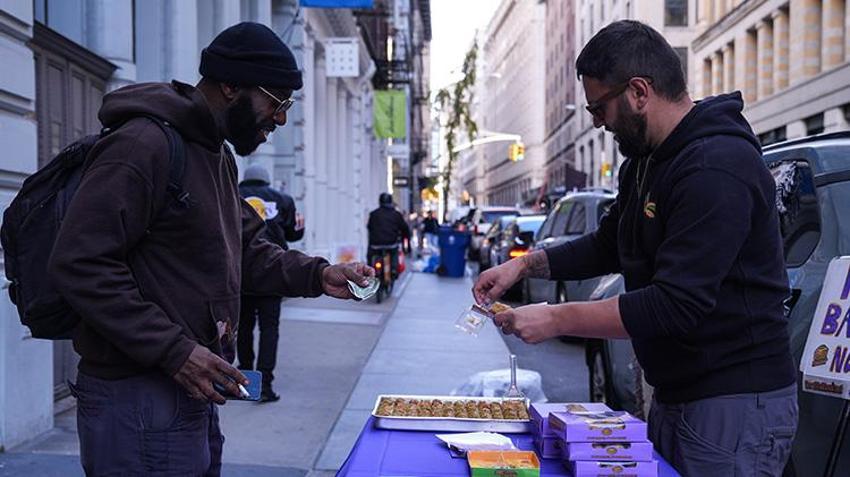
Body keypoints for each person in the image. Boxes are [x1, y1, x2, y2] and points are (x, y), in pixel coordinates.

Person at [473, 20, 797, 476]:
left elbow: (675, 304)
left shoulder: (715, 167)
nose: (596, 122)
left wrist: (554, 317)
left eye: (599, 107)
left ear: (639, 92)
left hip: (733, 401)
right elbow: (610, 244)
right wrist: (523, 267)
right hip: (678, 393)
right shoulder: (646, 161)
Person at [48, 22, 373, 476]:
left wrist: (317, 275)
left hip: (188, 393)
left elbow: (244, 251)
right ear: (231, 85)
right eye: (276, 102)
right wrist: (174, 350)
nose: (280, 119)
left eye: (287, 106)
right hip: (138, 398)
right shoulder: (144, 145)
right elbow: (79, 263)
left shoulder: (216, 157)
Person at [238, 165, 305, 402]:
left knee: (243, 327)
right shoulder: (283, 200)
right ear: (266, 181)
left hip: (240, 274)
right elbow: (294, 235)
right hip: (272, 272)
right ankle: (265, 385)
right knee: (270, 328)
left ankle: (243, 382)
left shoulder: (230, 194)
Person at [367, 193, 411, 276]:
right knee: (394, 252)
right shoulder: (396, 214)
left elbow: (369, 228)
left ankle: (369, 271)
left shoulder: (373, 214)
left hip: (375, 245)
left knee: (370, 255)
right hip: (391, 243)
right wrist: (408, 247)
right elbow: (405, 230)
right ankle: (394, 269)